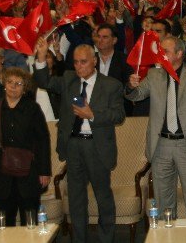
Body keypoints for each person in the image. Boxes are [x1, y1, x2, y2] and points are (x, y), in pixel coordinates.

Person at [33, 39, 125, 243]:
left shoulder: (111, 85)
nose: (78, 66)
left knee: (103, 197)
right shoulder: (68, 79)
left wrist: (92, 114)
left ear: (94, 61)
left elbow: (119, 115)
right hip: (73, 145)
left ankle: (106, 239)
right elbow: (44, 82)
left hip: (97, 147)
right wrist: (40, 57)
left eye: (83, 62)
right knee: (76, 200)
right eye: (75, 62)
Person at [126, 36, 186, 218]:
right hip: (161, 145)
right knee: (163, 203)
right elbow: (135, 96)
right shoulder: (154, 74)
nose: (161, 54)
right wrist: (131, 86)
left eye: (165, 51)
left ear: (179, 53)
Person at [0, 68, 51, 226]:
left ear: (25, 88)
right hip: (1, 174)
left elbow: (43, 140)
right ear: (4, 84)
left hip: (28, 174)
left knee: (30, 222)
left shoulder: (32, 108)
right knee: (4, 223)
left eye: (18, 83)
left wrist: (44, 171)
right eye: (10, 82)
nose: (13, 86)